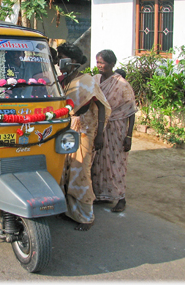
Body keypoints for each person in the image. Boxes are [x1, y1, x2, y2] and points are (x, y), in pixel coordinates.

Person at [57, 43, 110, 231]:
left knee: (81, 172)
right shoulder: (61, 80)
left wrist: (100, 134)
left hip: (85, 131)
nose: (59, 61)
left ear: (73, 61)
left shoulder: (86, 80)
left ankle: (86, 216)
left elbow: (102, 106)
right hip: (65, 131)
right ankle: (69, 211)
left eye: (63, 57)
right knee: (65, 171)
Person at [91, 49, 137, 212]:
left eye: (102, 63)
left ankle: (120, 198)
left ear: (111, 64)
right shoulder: (95, 80)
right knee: (98, 163)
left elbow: (131, 112)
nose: (99, 66)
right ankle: (102, 195)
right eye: (97, 62)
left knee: (116, 163)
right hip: (98, 127)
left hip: (116, 128)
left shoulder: (121, 84)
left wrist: (129, 136)